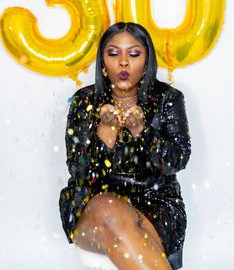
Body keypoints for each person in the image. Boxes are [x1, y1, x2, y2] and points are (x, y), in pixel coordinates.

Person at [59, 22, 191, 270]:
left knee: (120, 219)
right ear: (102, 62)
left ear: (147, 61)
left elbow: (177, 160)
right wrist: (106, 131)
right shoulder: (84, 100)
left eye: (133, 54)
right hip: (92, 206)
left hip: (156, 206)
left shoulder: (168, 99)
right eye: (113, 53)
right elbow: (78, 171)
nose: (123, 62)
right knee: (107, 207)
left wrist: (142, 131)